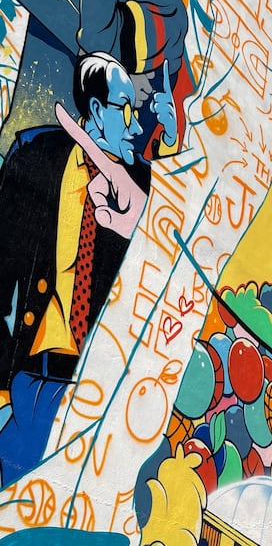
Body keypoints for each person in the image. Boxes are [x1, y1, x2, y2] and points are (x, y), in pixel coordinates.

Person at [0, 52, 157, 487]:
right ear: (94, 111)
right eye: (124, 109)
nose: (133, 124)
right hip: (33, 361)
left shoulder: (138, 187)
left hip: (97, 378)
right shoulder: (36, 154)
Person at [0, 0, 188, 160]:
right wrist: (113, 69)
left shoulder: (167, 7)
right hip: (23, 147)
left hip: (95, 175)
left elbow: (100, 38)